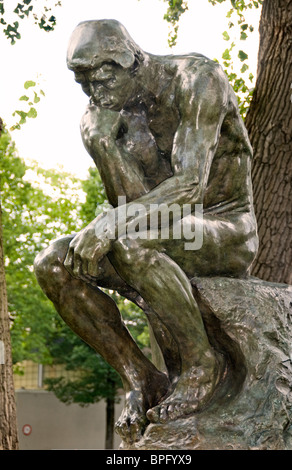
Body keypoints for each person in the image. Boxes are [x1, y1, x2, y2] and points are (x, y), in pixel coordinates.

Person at [34, 19, 258, 443]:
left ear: (129, 60)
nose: (95, 95)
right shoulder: (101, 118)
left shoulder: (197, 79)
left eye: (101, 80)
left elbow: (190, 185)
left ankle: (201, 364)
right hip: (163, 231)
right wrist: (104, 146)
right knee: (52, 264)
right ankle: (142, 379)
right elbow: (131, 201)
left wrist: (113, 224)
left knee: (127, 237)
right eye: (84, 86)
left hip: (227, 227)